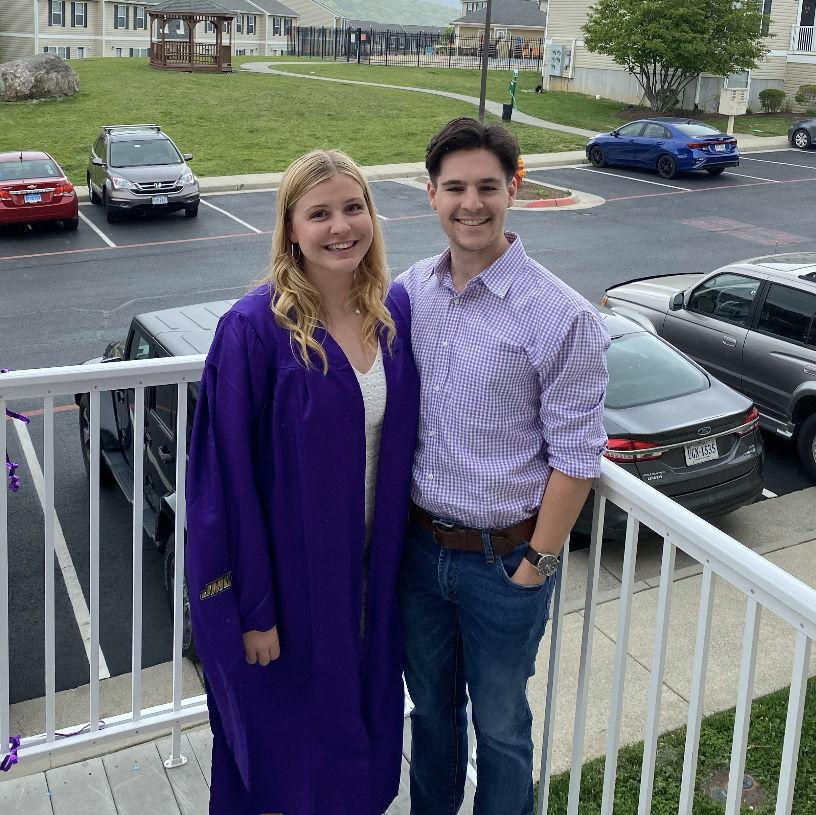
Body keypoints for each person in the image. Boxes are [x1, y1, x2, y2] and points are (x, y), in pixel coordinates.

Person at [186, 149, 420, 815]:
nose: (340, 226)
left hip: (370, 581)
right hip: (290, 590)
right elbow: (222, 483)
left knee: (361, 727)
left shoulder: (391, 314)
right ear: (290, 228)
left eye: (354, 208)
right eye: (319, 213)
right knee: (289, 749)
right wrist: (253, 609)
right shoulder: (254, 330)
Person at [396, 118, 610, 815]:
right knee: (429, 713)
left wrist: (536, 567)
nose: (471, 203)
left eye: (487, 186)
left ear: (512, 188)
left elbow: (577, 458)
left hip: (505, 563)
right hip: (420, 554)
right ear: (430, 194)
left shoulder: (561, 316)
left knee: (501, 726)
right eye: (454, 187)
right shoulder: (410, 292)